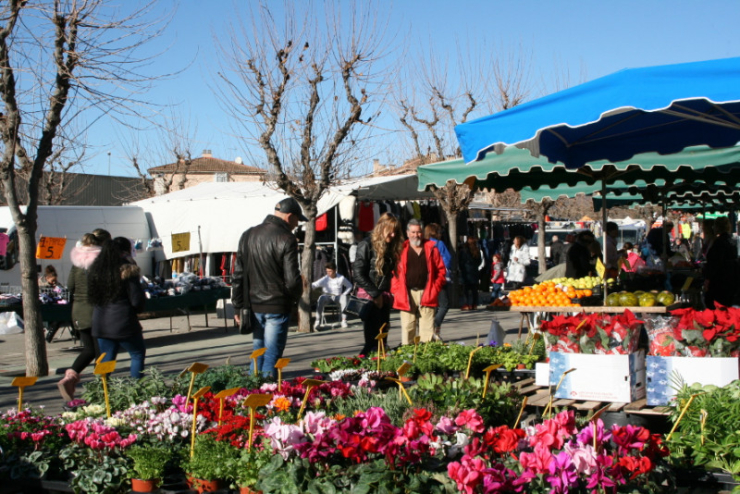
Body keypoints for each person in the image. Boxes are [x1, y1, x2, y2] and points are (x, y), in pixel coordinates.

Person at [232, 197, 305, 376]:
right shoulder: (287, 238)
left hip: (254, 304)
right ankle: (265, 392)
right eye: (297, 220)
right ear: (289, 216)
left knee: (258, 351)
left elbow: (238, 275)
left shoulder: (248, 234)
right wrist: (295, 299)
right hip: (277, 304)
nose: (297, 225)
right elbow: (293, 280)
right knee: (272, 353)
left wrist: (238, 305)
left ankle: (250, 392)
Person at [89, 237, 147, 378]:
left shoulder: (96, 270)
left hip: (100, 322)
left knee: (106, 359)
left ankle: (103, 392)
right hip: (123, 321)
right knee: (137, 354)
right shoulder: (128, 270)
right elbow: (136, 299)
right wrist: (138, 310)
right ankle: (137, 391)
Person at [57, 233, 102, 402]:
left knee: (89, 348)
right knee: (101, 352)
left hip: (79, 310)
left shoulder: (76, 264)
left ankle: (69, 377)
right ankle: (102, 386)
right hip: (96, 310)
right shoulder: (99, 263)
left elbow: (69, 286)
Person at [353, 213, 403, 355]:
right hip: (370, 298)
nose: (393, 235)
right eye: (390, 231)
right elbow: (358, 273)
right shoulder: (366, 245)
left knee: (382, 339)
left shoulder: (389, 247)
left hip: (384, 297)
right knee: (372, 341)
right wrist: (376, 294)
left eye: (396, 231)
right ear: (381, 228)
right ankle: (360, 367)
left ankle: (378, 370)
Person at [391, 219, 446, 345]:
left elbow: (441, 271)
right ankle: (407, 353)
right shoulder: (401, 250)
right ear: (408, 233)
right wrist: (395, 289)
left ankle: (425, 355)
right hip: (406, 293)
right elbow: (394, 273)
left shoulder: (432, 249)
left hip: (427, 292)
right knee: (407, 326)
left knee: (427, 327)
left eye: (419, 232)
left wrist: (435, 288)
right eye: (413, 232)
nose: (416, 235)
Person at [704, 216, 739, 309]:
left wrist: (708, 278)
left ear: (717, 227)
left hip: (719, 281)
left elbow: (714, 264)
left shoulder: (719, 243)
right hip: (731, 280)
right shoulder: (732, 241)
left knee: (715, 305)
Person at [424, 223, 451, 340]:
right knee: (444, 304)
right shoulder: (439, 244)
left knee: (432, 305)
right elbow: (448, 259)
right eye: (439, 231)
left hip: (425, 279)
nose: (440, 234)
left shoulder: (423, 244)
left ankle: (432, 332)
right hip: (438, 278)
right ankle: (435, 325)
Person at [311, 261, 352, 330]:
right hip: (327, 296)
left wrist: (344, 294)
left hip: (337, 296)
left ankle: (344, 320)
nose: (329, 273)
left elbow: (349, 286)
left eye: (330, 271)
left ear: (335, 270)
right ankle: (317, 321)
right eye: (327, 271)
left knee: (344, 298)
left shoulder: (341, 278)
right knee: (321, 298)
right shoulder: (325, 279)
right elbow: (315, 284)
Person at [459, 236, 483, 310]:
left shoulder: (463, 250)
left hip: (465, 271)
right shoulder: (477, 250)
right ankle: (474, 304)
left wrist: (461, 267)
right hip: (474, 271)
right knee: (474, 289)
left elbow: (460, 260)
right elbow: (480, 260)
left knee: (465, 289)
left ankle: (466, 304)